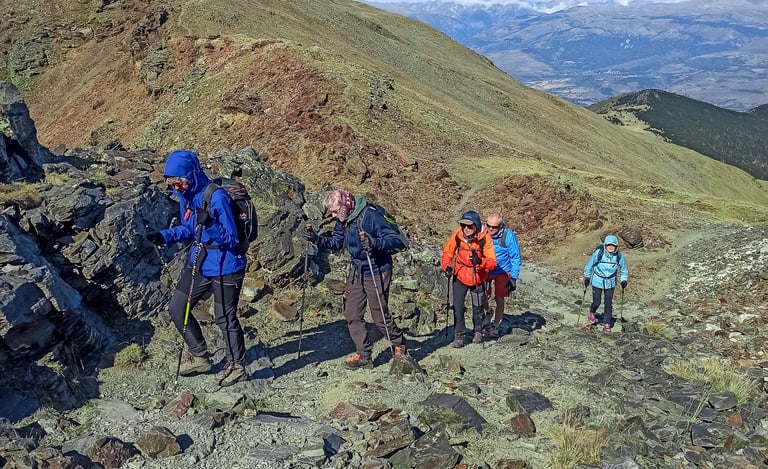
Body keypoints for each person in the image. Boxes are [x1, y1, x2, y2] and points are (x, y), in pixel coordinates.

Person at [146, 150, 248, 387]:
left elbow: (231, 239)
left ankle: (237, 366)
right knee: (177, 308)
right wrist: (164, 236)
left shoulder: (217, 197)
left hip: (226, 265)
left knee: (224, 317)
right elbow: (189, 229)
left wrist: (210, 223)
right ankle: (200, 356)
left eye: (180, 182)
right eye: (172, 183)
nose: (177, 187)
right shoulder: (186, 196)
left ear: (191, 175)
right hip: (199, 262)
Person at [303, 188, 407, 370]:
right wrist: (316, 239)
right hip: (357, 270)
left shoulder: (370, 216)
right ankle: (364, 355)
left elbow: (396, 240)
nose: (333, 216)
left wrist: (374, 243)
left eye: (335, 211)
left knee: (379, 314)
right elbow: (336, 243)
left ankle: (399, 344)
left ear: (345, 205)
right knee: (352, 313)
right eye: (332, 213)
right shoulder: (343, 219)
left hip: (377, 268)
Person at [441, 210, 497, 347]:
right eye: (463, 225)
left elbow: (492, 262)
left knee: (478, 307)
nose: (466, 229)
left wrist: (481, 262)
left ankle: (478, 331)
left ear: (476, 226)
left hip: (478, 277)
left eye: (469, 226)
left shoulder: (484, 238)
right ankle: (459, 336)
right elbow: (448, 252)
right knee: (458, 307)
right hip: (460, 275)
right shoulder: (457, 235)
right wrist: (446, 266)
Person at [483, 213, 522, 338]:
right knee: (482, 295)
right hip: (486, 269)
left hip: (503, 271)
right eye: (488, 226)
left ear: (500, 225)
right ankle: (488, 312)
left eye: (494, 227)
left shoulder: (508, 236)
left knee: (499, 298)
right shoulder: (482, 232)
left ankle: (495, 325)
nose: (491, 229)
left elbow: (515, 257)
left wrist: (513, 277)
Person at [583, 234, 628, 334]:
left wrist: (623, 280)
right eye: (609, 245)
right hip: (597, 280)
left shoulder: (619, 256)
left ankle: (607, 324)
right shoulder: (599, 253)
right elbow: (589, 265)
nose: (611, 247)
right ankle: (592, 311)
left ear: (616, 246)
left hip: (610, 282)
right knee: (597, 301)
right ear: (605, 245)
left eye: (613, 245)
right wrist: (587, 277)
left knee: (608, 304)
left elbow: (624, 269)